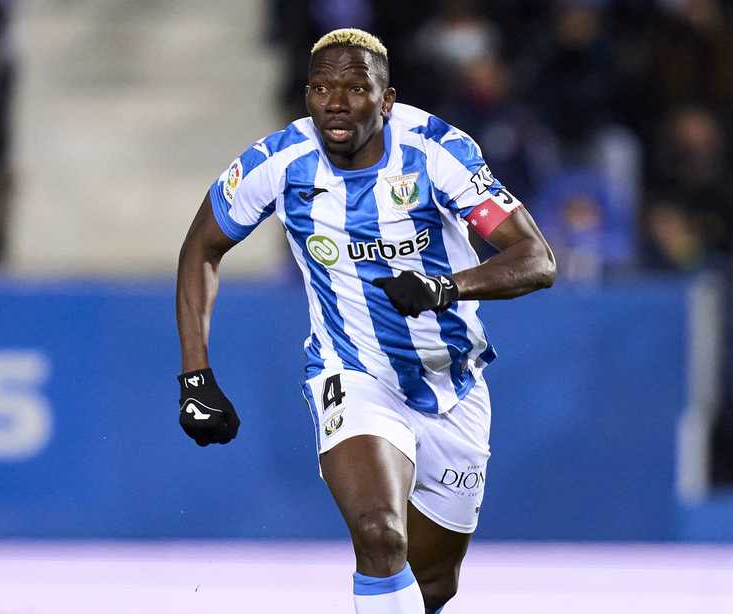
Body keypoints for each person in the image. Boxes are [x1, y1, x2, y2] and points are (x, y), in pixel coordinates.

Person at [174, 28, 555, 613]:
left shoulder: (437, 152)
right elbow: (202, 247)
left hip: (451, 381)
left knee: (432, 586)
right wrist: (195, 375)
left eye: (355, 87)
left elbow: (536, 259)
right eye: (321, 87)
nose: (336, 102)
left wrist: (442, 288)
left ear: (388, 98)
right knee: (380, 536)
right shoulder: (278, 162)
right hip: (352, 372)